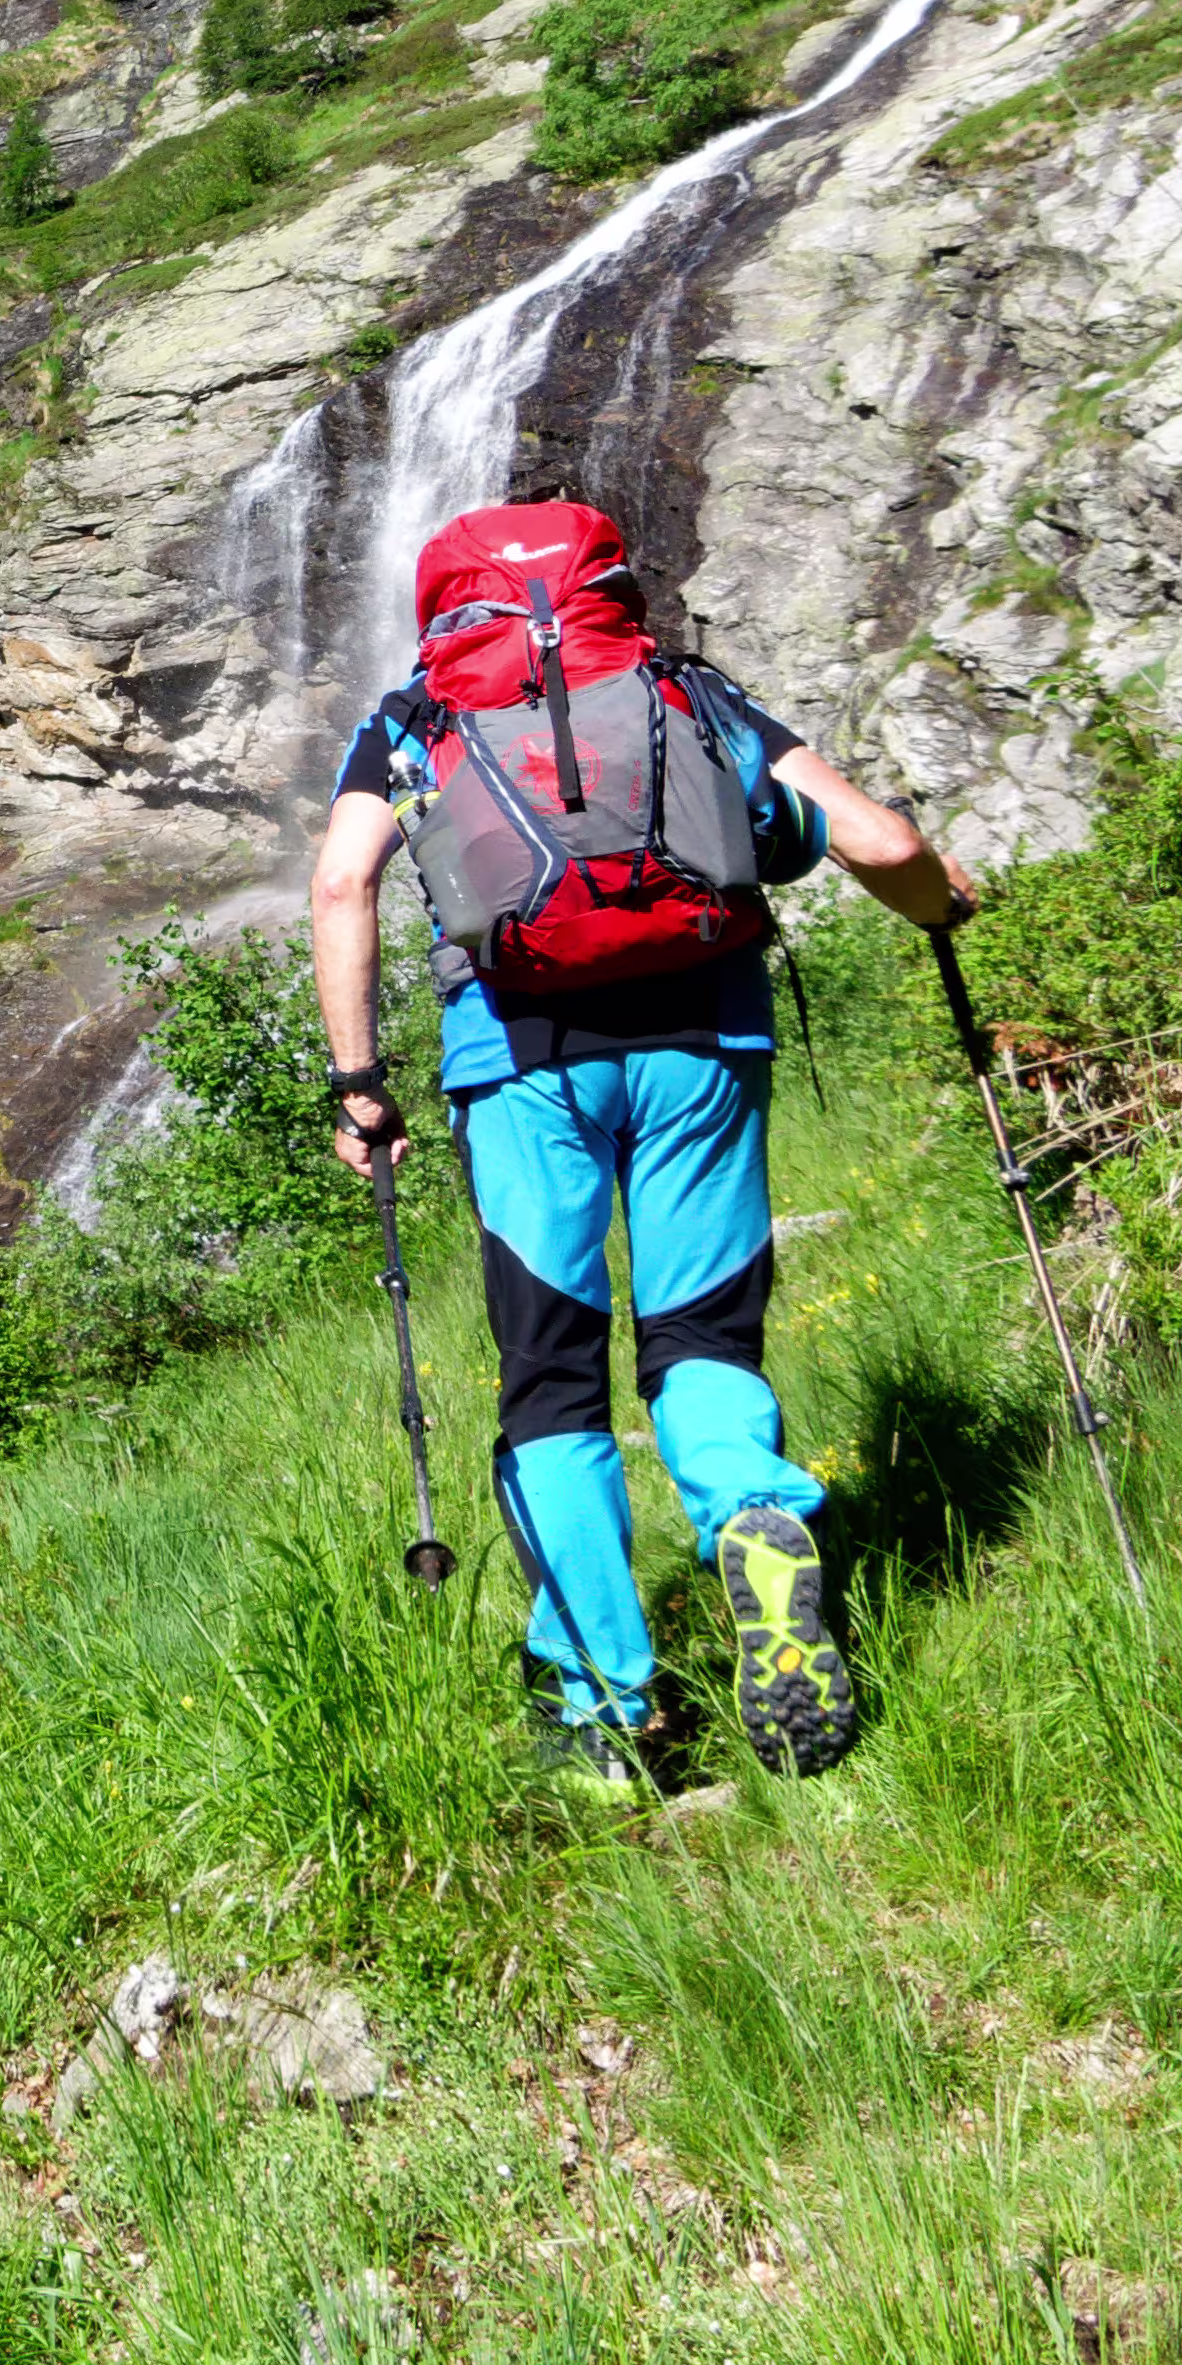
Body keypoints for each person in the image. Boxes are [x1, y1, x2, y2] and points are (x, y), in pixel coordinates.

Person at [303, 501, 979, 1786]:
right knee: (703, 1332)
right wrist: (940, 908)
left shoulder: (414, 717)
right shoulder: (685, 689)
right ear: (611, 588)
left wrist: (358, 1087)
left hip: (519, 1065)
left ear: (444, 612)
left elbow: (343, 883)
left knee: (552, 1377)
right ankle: (753, 1511)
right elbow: (882, 843)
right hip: (704, 1042)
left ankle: (599, 1706)